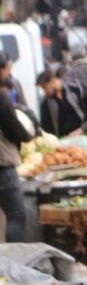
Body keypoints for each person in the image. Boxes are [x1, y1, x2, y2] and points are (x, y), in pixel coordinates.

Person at [0, 89, 31, 242]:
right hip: (3, 167)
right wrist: (28, 135)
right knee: (16, 215)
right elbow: (16, 131)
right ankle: (15, 262)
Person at [36, 69, 87, 137]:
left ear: (53, 81)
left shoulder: (76, 87)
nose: (45, 91)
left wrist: (86, 126)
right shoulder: (45, 103)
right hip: (65, 140)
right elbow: (46, 127)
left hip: (85, 133)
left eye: (45, 88)